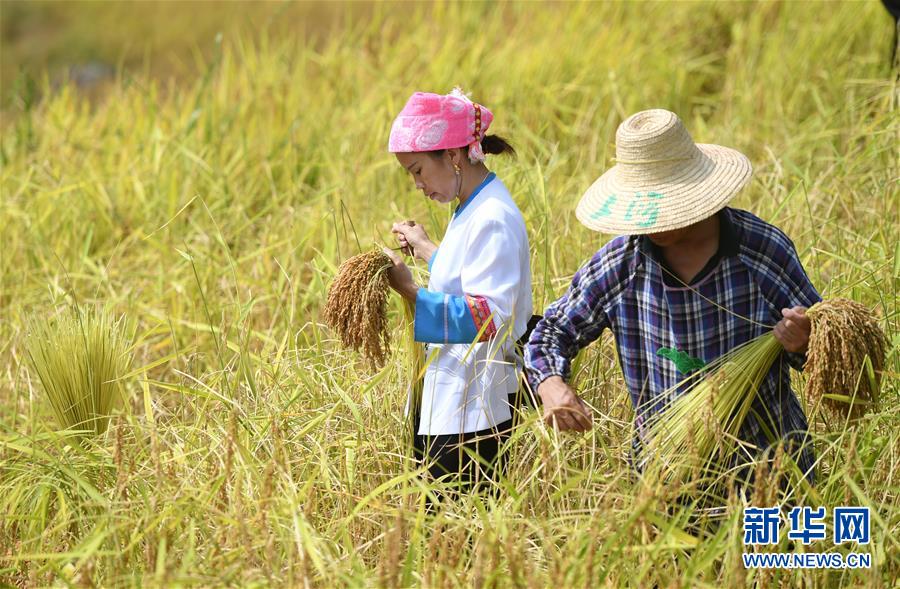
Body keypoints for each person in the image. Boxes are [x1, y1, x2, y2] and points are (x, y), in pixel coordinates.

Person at [525, 108, 819, 485]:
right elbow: (551, 331)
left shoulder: (760, 250)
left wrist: (802, 341)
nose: (657, 224)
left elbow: (824, 349)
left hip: (770, 465)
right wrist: (551, 383)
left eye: (665, 204)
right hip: (670, 471)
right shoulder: (622, 265)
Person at [382, 89, 532, 493]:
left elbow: (490, 317)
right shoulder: (472, 206)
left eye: (417, 170)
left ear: (451, 156)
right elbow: (470, 277)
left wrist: (410, 289)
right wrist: (427, 248)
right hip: (452, 400)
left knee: (455, 541)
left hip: (473, 414)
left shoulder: (492, 218)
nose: (417, 184)